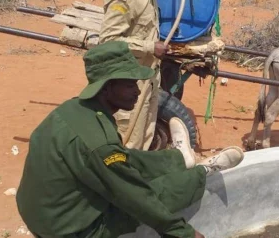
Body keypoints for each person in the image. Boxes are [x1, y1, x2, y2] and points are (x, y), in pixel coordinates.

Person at [15, 40, 245, 238]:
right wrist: (181, 232)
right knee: (157, 191)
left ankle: (179, 157)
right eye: (129, 84)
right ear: (106, 88)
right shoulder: (99, 144)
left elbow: (112, 161)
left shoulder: (69, 111)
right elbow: (135, 197)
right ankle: (203, 171)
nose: (137, 90)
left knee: (125, 160)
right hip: (69, 230)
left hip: (44, 213)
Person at [98, 0, 185, 151]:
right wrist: (148, 47)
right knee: (128, 142)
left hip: (148, 81)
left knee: (145, 138)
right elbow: (108, 40)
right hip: (128, 83)